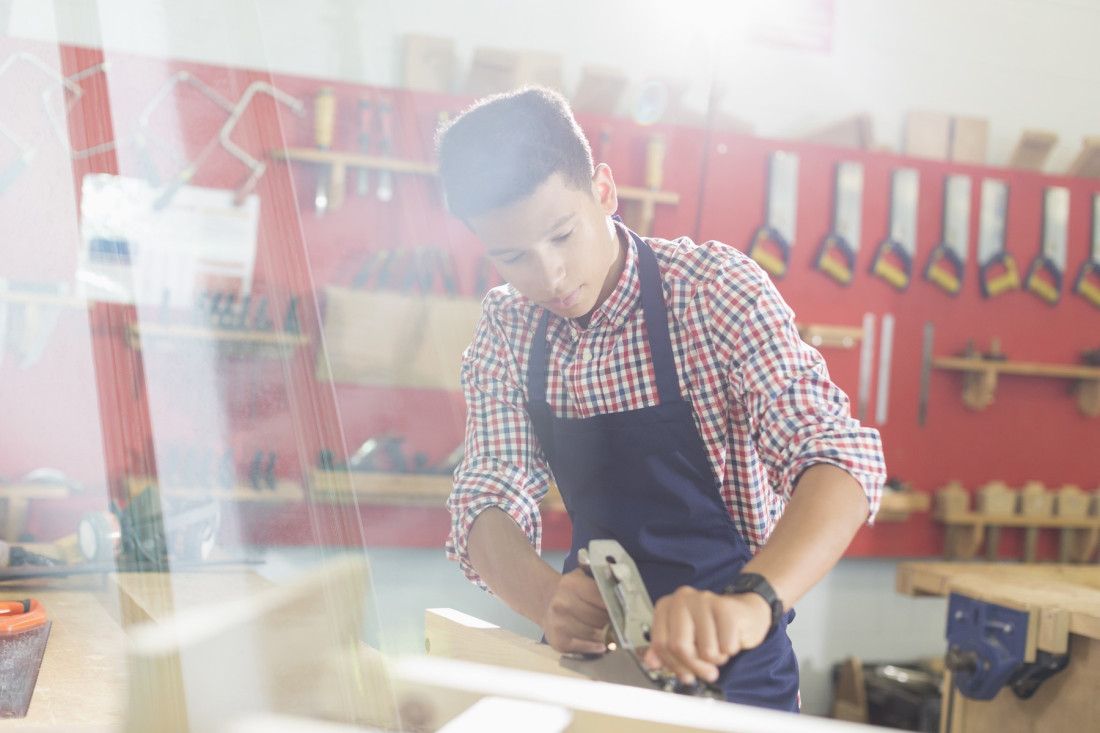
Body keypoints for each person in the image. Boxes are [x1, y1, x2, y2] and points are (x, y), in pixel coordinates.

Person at [435, 87, 886, 712]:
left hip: (734, 670)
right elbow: (487, 493)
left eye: (563, 235)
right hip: (589, 664)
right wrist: (547, 601)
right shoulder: (509, 327)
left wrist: (754, 601)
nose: (549, 278)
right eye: (513, 257)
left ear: (604, 191)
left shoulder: (712, 294)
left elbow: (836, 459)